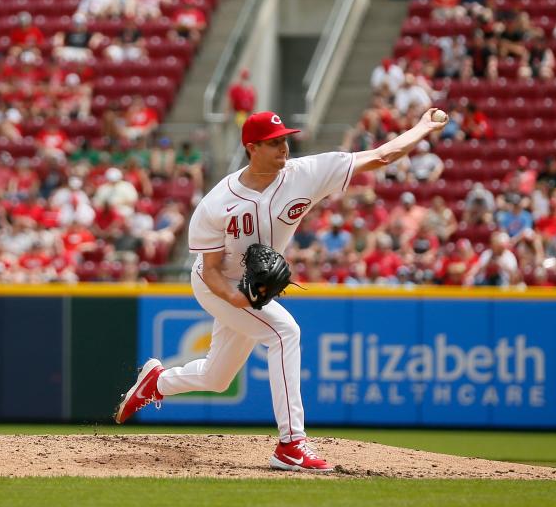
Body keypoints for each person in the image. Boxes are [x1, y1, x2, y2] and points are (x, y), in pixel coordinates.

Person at [113, 107, 449, 471]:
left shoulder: (306, 174)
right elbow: (209, 270)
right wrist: (234, 297)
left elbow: (382, 155)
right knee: (285, 332)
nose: (284, 148)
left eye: (286, 140)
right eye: (274, 143)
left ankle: (157, 382)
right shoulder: (216, 203)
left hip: (251, 287)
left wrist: (422, 127)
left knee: (217, 376)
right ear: (252, 147)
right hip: (218, 285)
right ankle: (291, 444)